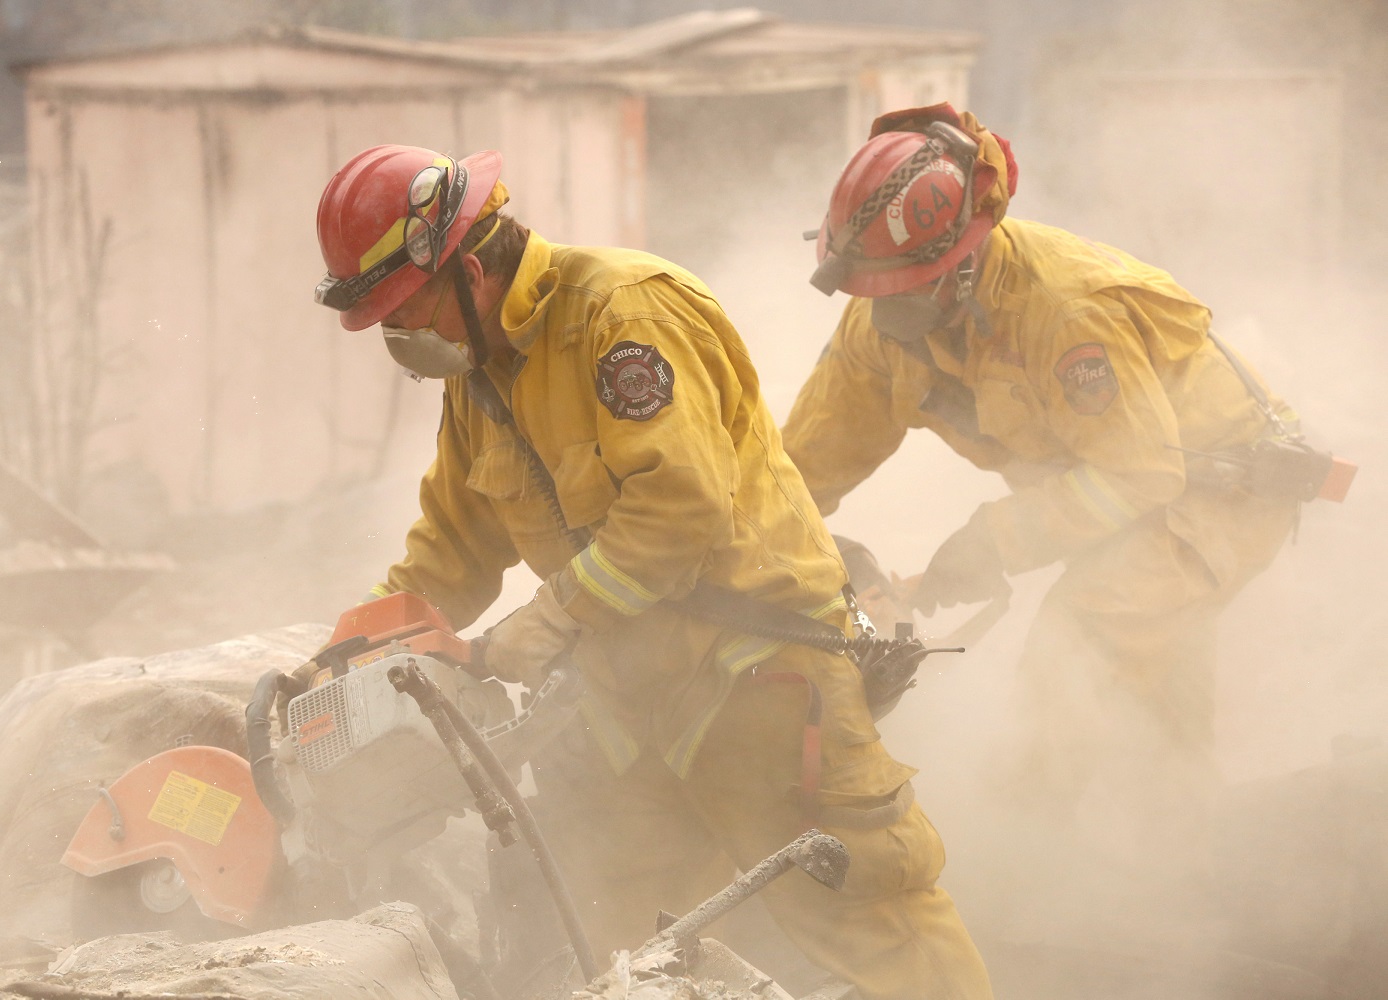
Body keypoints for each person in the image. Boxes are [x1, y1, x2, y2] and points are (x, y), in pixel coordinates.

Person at [312, 144, 992, 1000]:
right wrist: (343, 658)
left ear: (473, 265)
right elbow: (452, 547)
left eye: (408, 311)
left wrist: (550, 620)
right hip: (629, 714)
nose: (405, 338)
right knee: (620, 943)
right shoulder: (478, 374)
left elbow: (683, 509)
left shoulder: (622, 316)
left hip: (760, 684)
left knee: (871, 916)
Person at [781, 103, 1307, 841]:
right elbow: (803, 464)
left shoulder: (1065, 311)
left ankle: (1025, 850)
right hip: (1129, 494)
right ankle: (1193, 853)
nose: (881, 314)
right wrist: (747, 546)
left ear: (962, 262)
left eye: (900, 290)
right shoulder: (884, 319)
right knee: (1161, 714)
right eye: (868, 292)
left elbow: (1138, 475)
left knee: (1080, 643)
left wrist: (994, 541)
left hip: (1218, 492)